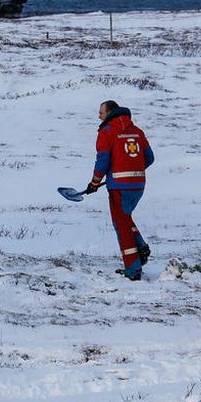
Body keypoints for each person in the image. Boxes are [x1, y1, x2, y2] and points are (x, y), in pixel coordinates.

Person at [84, 99, 154, 280]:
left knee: (121, 225)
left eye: (101, 112)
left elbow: (103, 160)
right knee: (124, 218)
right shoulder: (137, 131)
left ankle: (133, 269)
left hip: (119, 187)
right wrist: (133, 171)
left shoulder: (106, 132)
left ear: (109, 113)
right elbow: (150, 157)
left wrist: (94, 182)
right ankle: (140, 246)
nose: (98, 116)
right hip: (138, 185)